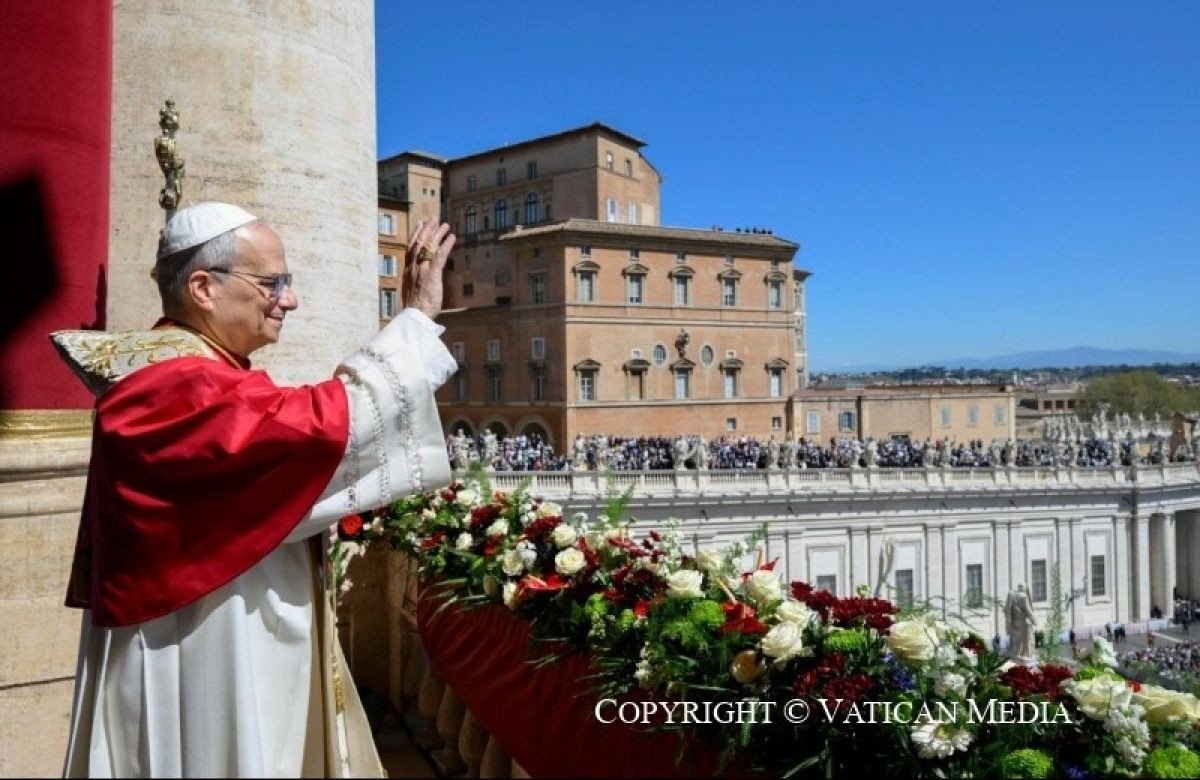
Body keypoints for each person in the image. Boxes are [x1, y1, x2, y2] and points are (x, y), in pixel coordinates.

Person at [59, 203, 457, 777]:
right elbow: (317, 430)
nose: (289, 300)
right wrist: (415, 319)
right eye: (272, 283)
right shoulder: (171, 386)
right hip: (198, 647)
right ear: (203, 288)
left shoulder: (196, 374)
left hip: (219, 629)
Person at [1004, 584, 1038, 662]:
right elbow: (1028, 610)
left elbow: (1007, 610)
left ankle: (1016, 653)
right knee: (1026, 638)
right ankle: (1025, 653)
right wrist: (1034, 620)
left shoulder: (1013, 595)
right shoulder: (1023, 597)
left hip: (1014, 621)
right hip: (1023, 621)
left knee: (1016, 638)